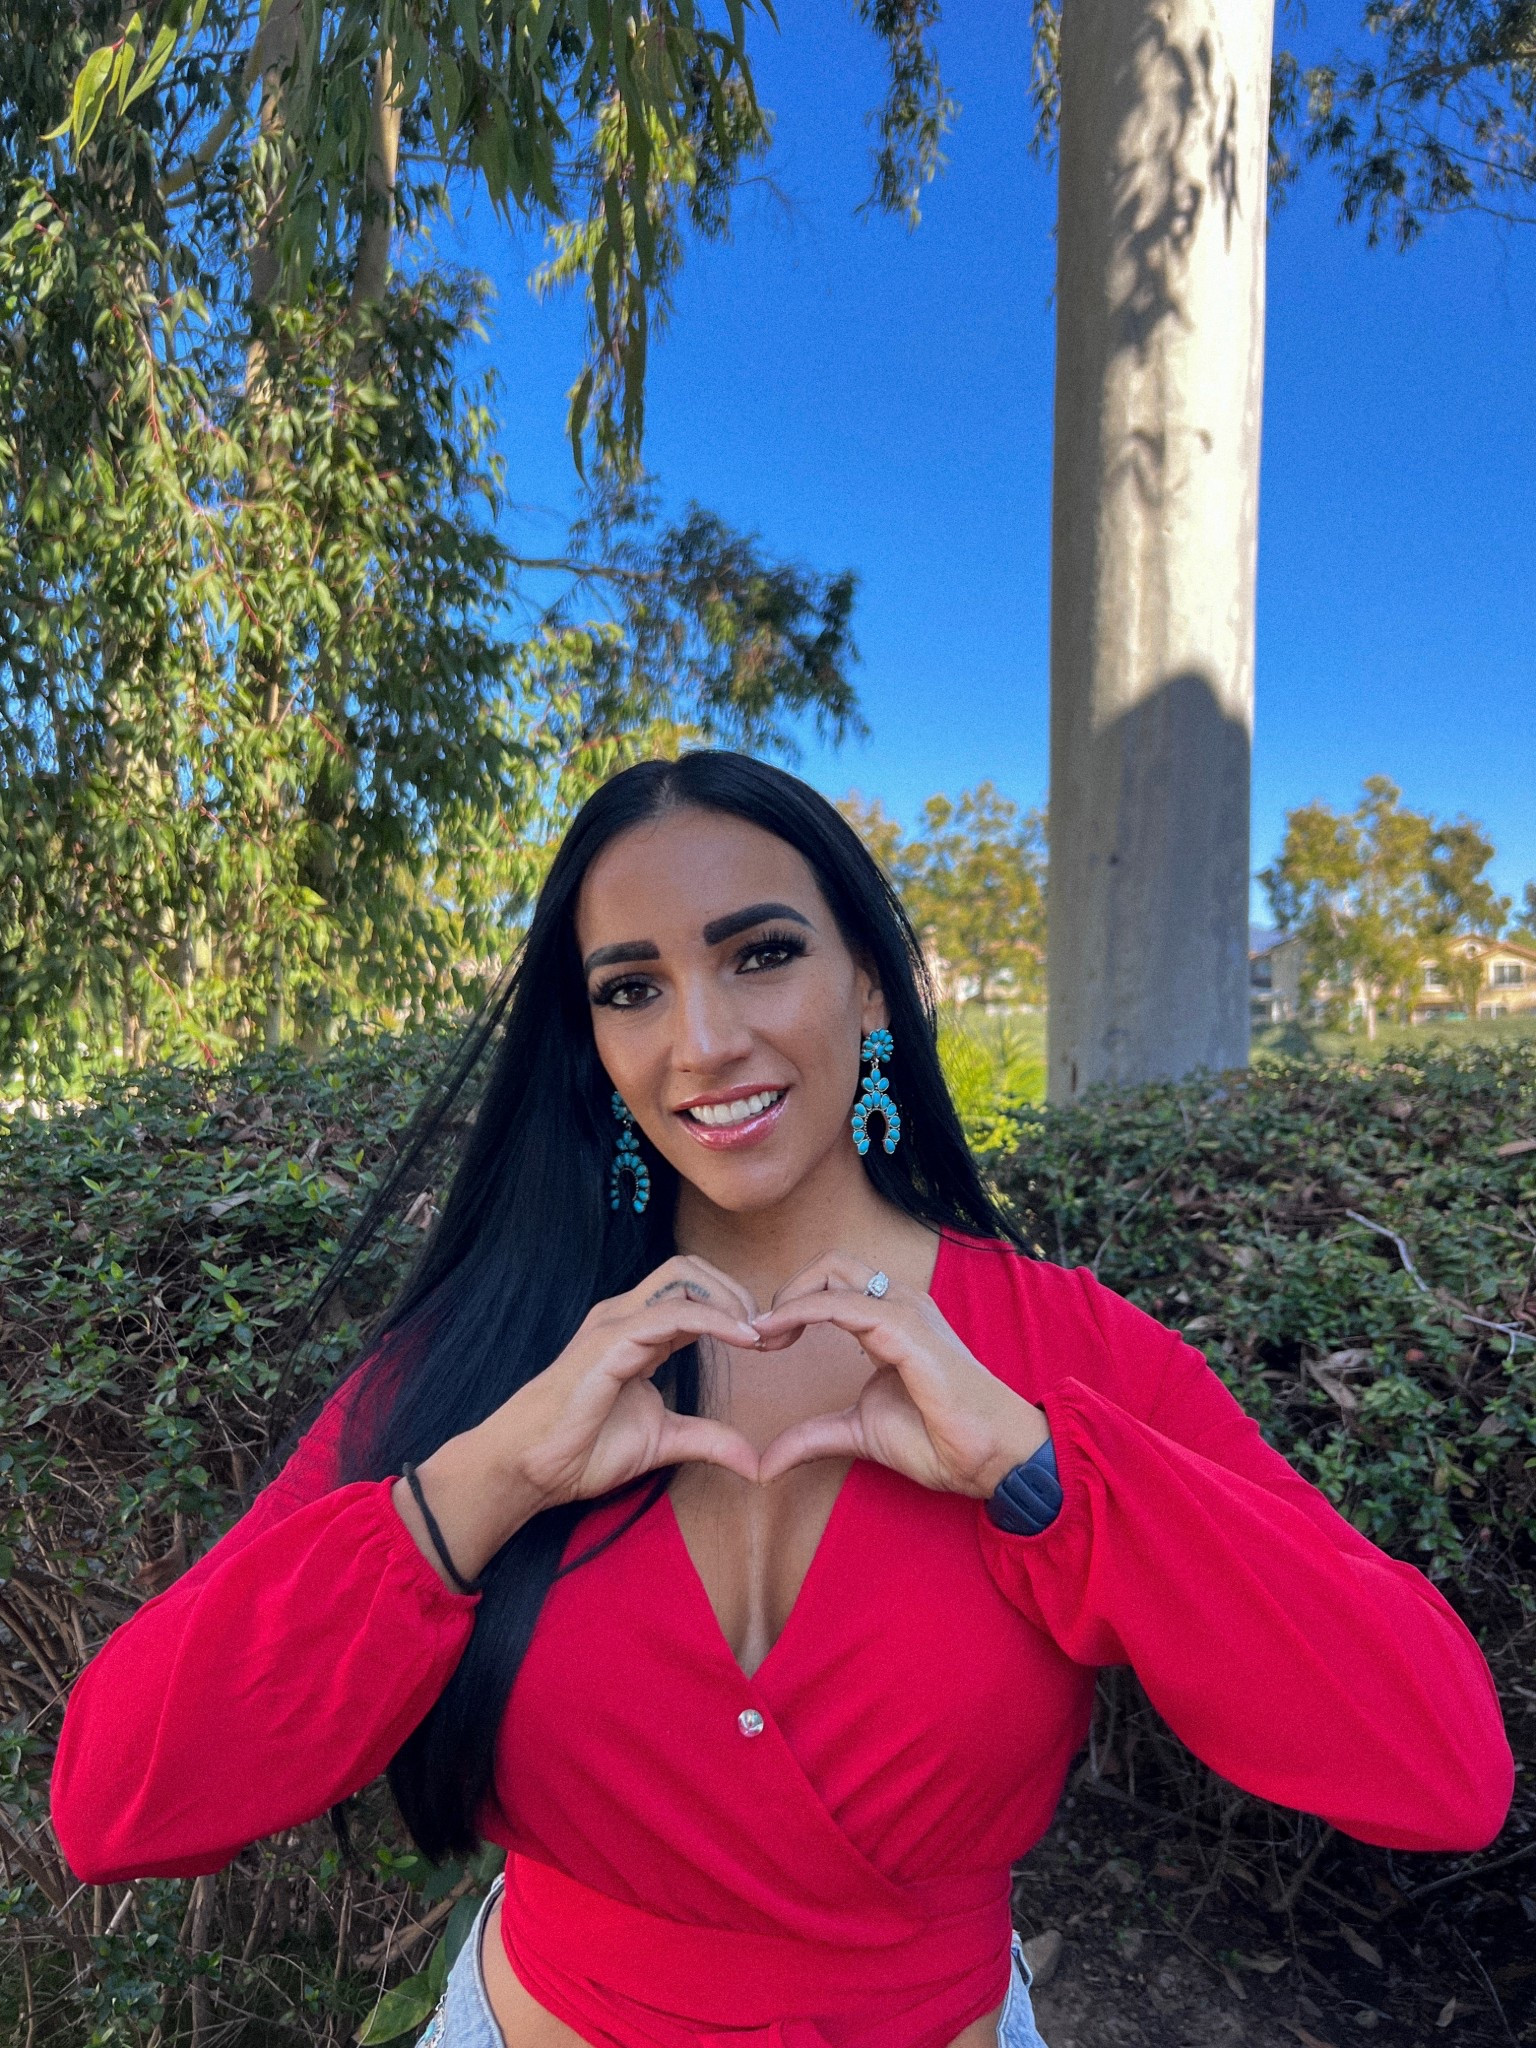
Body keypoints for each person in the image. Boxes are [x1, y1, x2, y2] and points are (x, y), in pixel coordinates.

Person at [52, 753, 1512, 2048]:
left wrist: (1040, 1473)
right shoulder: (488, 1368)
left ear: (872, 984)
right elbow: (115, 1801)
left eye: (759, 954)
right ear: (596, 1042)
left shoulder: (1070, 1362)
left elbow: (1441, 1767)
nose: (702, 1041)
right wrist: (478, 1491)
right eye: (632, 987)